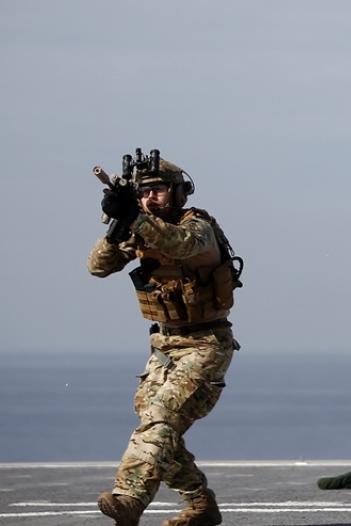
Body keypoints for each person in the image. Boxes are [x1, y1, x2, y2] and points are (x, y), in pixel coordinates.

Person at [88, 153, 242, 526]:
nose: (150, 198)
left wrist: (136, 218)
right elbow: (99, 266)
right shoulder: (140, 226)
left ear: (178, 193)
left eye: (157, 190)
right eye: (143, 193)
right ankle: (200, 503)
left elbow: (179, 245)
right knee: (155, 425)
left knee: (160, 418)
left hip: (205, 345)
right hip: (164, 346)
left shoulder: (198, 227)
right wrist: (117, 226)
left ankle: (130, 498)